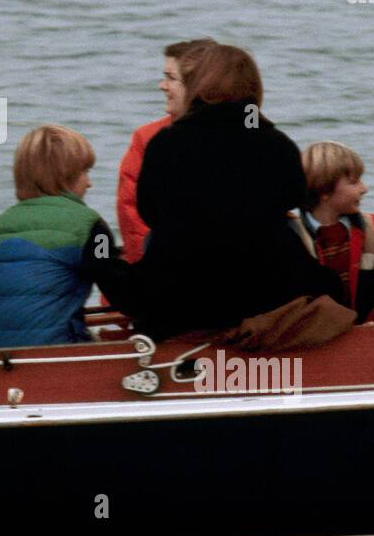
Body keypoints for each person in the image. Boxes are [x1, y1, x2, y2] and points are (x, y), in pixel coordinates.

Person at [84, 44, 342, 339]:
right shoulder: (276, 143)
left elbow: (149, 211)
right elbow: (293, 196)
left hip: (181, 294)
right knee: (316, 270)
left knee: (110, 249)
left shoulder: (167, 143)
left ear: (199, 85)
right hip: (265, 288)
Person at [0, 124, 116, 348]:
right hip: (57, 355)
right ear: (65, 176)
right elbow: (117, 287)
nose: (90, 183)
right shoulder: (91, 228)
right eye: (85, 172)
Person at [116, 38, 215, 262]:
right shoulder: (147, 138)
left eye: (171, 78)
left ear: (197, 85)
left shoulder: (244, 137)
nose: (162, 85)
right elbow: (131, 213)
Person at [297, 142, 374, 324]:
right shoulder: (294, 236)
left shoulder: (372, 228)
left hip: (369, 333)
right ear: (324, 191)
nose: (364, 189)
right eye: (354, 182)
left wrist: (373, 322)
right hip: (319, 338)